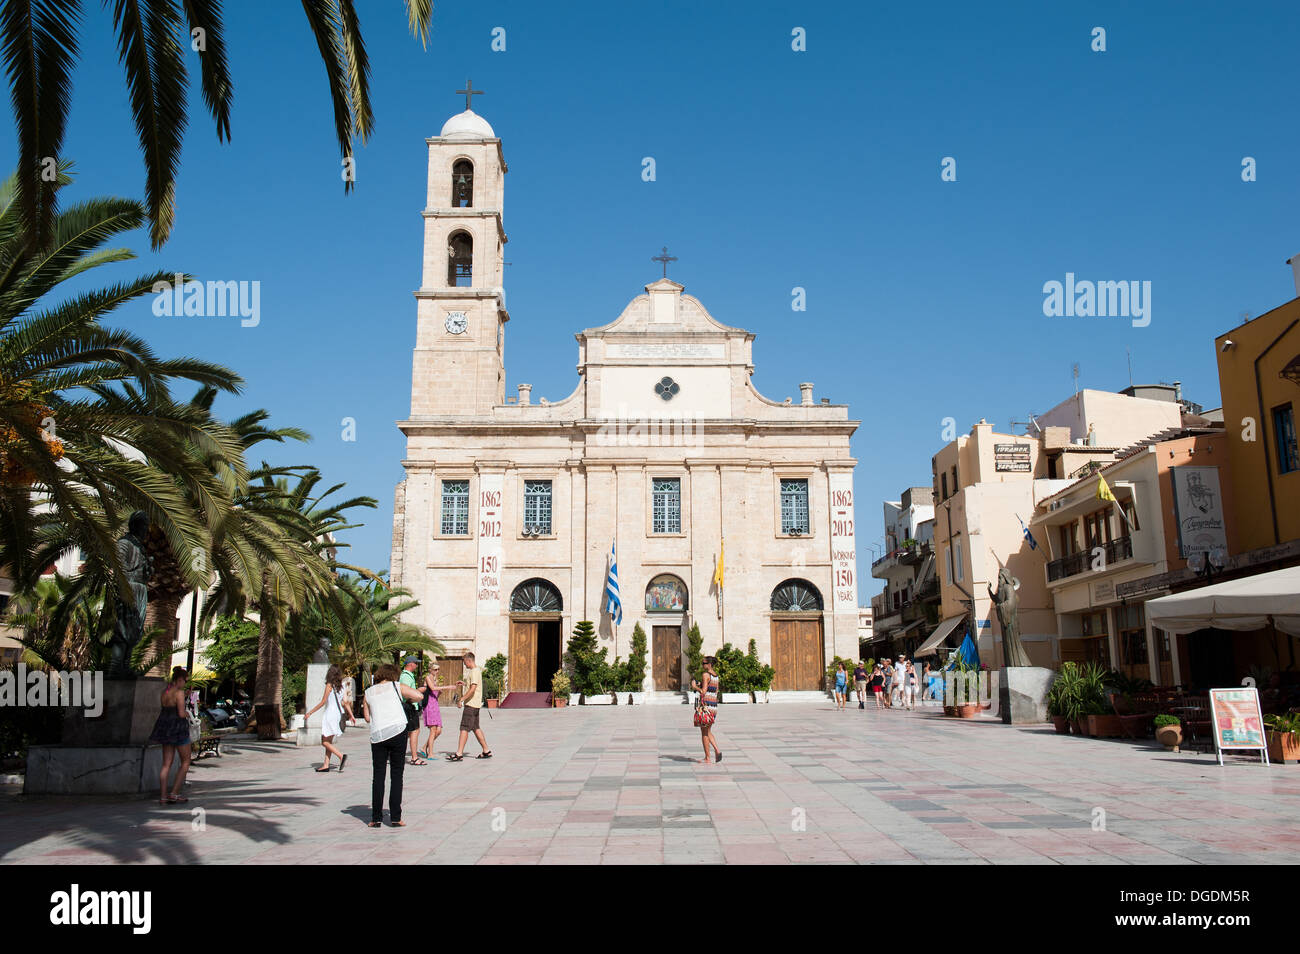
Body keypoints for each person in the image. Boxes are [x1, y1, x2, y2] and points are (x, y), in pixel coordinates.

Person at [362, 663, 425, 828]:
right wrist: (405, 699)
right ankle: (395, 817)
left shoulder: (368, 692)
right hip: (397, 731)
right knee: (397, 775)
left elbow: (367, 717)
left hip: (378, 736)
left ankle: (376, 818)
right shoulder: (396, 686)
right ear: (394, 675)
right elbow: (419, 696)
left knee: (378, 776)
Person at [148, 666, 193, 805]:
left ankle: (162, 796)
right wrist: (188, 714)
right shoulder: (179, 693)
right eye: (185, 681)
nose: (185, 683)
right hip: (178, 729)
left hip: (165, 728)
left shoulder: (165, 692)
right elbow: (180, 713)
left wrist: (184, 695)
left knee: (166, 764)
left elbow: (169, 706)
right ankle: (174, 793)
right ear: (180, 679)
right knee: (185, 761)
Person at [305, 664, 354, 772]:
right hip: (338, 714)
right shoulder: (342, 685)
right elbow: (345, 702)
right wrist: (351, 715)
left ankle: (341, 756)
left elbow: (323, 702)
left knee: (324, 741)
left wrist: (310, 712)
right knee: (329, 741)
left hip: (330, 714)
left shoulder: (329, 685)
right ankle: (326, 765)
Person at [447, 651, 491, 761]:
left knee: (464, 728)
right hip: (475, 705)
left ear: (469, 660)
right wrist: (465, 684)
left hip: (471, 705)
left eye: (464, 662)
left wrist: (462, 699)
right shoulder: (475, 671)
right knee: (476, 728)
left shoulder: (474, 671)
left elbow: (473, 688)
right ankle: (486, 750)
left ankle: (459, 753)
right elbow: (472, 685)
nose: (464, 664)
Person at [418, 662, 457, 758]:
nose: (437, 671)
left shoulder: (434, 679)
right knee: (433, 730)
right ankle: (430, 754)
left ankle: (424, 748)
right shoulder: (428, 677)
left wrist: (439, 692)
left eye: (438, 669)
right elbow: (432, 688)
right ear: (430, 670)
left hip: (435, 705)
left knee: (438, 731)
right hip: (430, 706)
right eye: (435, 669)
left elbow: (434, 692)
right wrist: (447, 687)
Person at [689, 656, 723, 763]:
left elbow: (703, 691)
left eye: (704, 663)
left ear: (709, 664)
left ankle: (709, 757)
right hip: (713, 706)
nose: (702, 665)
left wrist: (695, 687)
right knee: (708, 731)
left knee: (704, 732)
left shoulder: (705, 675)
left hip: (706, 705)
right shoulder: (716, 676)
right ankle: (716, 752)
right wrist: (702, 684)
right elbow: (714, 689)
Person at [399, 655, 426, 765]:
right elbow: (405, 692)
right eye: (415, 663)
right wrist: (416, 694)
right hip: (409, 706)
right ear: (410, 664)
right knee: (414, 731)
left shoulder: (408, 676)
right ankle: (414, 757)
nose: (416, 665)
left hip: (411, 706)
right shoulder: (405, 676)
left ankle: (398, 753)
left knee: (411, 732)